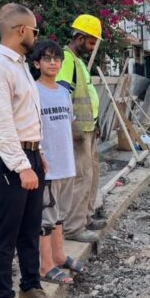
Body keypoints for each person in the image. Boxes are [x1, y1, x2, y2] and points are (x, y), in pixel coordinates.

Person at [0, 3, 59, 298]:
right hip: (7, 159)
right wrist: (21, 165)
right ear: (22, 30)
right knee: (6, 234)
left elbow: (27, 118)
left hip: (29, 156)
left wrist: (38, 155)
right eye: (35, 30)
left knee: (29, 229)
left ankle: (30, 287)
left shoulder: (20, 66)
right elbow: (1, 124)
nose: (36, 36)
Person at [30, 40, 86, 285]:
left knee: (60, 215)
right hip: (48, 167)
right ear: (37, 63)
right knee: (46, 218)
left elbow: (67, 125)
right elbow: (31, 128)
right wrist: (40, 156)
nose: (53, 63)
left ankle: (59, 255)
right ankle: (45, 266)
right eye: (47, 58)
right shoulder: (33, 91)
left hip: (66, 164)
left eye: (56, 58)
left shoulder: (64, 92)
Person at [57, 15, 108, 244]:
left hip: (88, 129)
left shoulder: (79, 62)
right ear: (80, 38)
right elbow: (62, 95)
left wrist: (96, 123)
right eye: (91, 42)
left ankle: (86, 218)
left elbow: (86, 96)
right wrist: (71, 127)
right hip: (77, 131)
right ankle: (73, 227)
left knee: (92, 174)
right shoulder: (67, 60)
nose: (92, 47)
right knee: (81, 177)